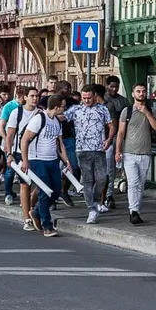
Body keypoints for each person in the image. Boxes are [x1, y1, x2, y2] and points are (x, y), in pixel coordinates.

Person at [20, 93, 69, 236]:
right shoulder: (39, 119)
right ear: (56, 107)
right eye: (63, 106)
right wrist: (25, 160)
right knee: (44, 191)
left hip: (52, 160)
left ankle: (36, 211)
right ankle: (47, 226)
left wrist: (66, 161)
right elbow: (25, 140)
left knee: (55, 190)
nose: (64, 109)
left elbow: (60, 144)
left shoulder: (57, 122)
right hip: (37, 159)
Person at [67, 85, 116, 225]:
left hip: (99, 148)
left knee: (102, 178)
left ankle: (93, 198)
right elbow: (62, 117)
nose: (87, 101)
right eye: (84, 98)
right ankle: (92, 209)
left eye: (89, 98)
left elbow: (111, 126)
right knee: (88, 180)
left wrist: (109, 139)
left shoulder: (102, 109)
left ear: (94, 96)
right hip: (82, 149)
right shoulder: (76, 109)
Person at [116, 83, 156, 225]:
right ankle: (133, 211)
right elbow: (121, 132)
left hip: (145, 153)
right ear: (133, 94)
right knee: (133, 182)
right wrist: (118, 151)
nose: (141, 94)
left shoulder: (151, 110)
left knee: (140, 184)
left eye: (143, 91)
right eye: (138, 91)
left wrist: (146, 113)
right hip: (130, 152)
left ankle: (136, 209)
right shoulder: (127, 111)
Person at [6, 87, 42, 230]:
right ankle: (26, 218)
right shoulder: (17, 113)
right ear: (25, 97)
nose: (35, 99)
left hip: (37, 153)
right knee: (25, 184)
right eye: (32, 96)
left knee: (41, 184)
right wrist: (9, 154)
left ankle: (32, 208)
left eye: (36, 96)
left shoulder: (40, 113)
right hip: (20, 153)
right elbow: (10, 135)